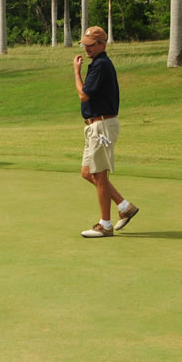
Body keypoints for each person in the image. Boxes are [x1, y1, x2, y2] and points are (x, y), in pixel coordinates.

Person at [74, 26, 139, 238]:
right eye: (86, 45)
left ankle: (105, 225)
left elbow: (84, 95)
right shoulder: (98, 64)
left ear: (102, 44)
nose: (87, 49)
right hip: (96, 125)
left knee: (99, 175)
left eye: (91, 45)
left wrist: (76, 72)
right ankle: (124, 206)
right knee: (87, 173)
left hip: (102, 125)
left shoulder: (100, 65)